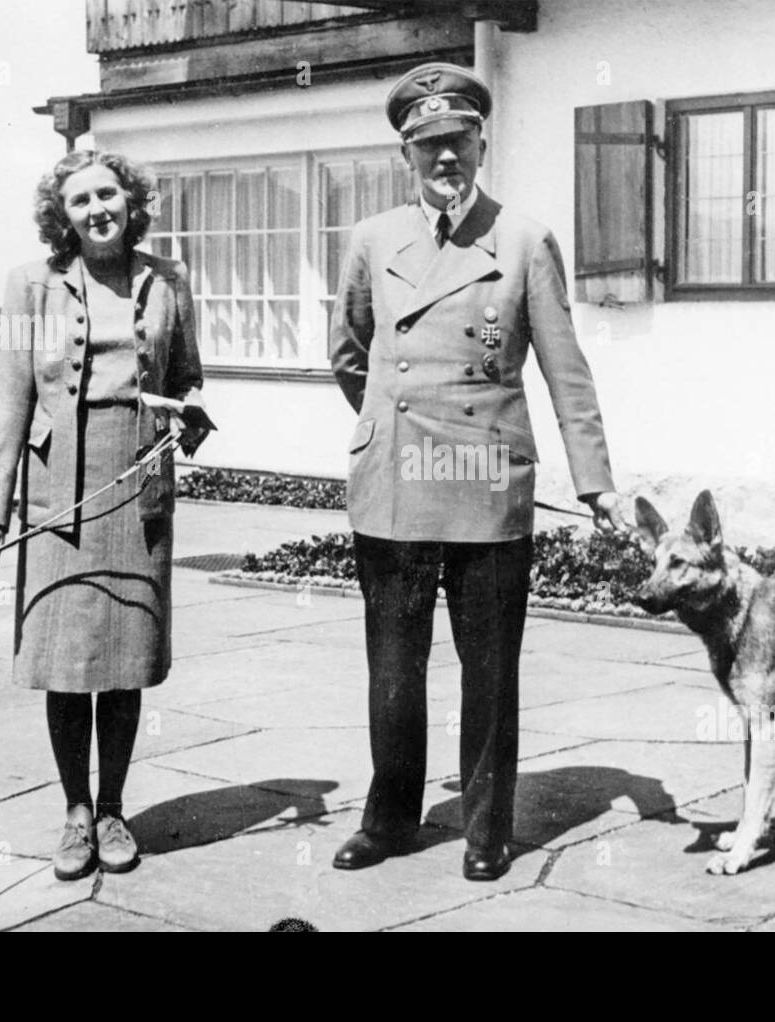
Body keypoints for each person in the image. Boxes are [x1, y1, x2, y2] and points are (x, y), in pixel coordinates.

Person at [329, 63, 625, 881]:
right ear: (406, 155)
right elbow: (349, 354)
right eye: (428, 145)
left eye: (458, 141)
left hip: (486, 481)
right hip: (394, 483)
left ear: (481, 142)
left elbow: (566, 370)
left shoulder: (524, 240)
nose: (445, 158)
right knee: (393, 669)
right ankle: (389, 819)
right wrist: (390, 422)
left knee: (489, 670)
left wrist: (594, 480)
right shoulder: (372, 240)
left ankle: (487, 828)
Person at [0, 150, 208, 880]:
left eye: (109, 194)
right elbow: (10, 404)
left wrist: (188, 412)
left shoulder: (169, 280)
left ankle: (112, 808)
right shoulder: (28, 286)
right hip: (56, 490)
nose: (98, 208)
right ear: (61, 215)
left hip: (136, 488)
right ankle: (74, 811)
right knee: (66, 665)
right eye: (80, 200)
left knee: (124, 658)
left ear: (131, 201)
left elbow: (188, 374)